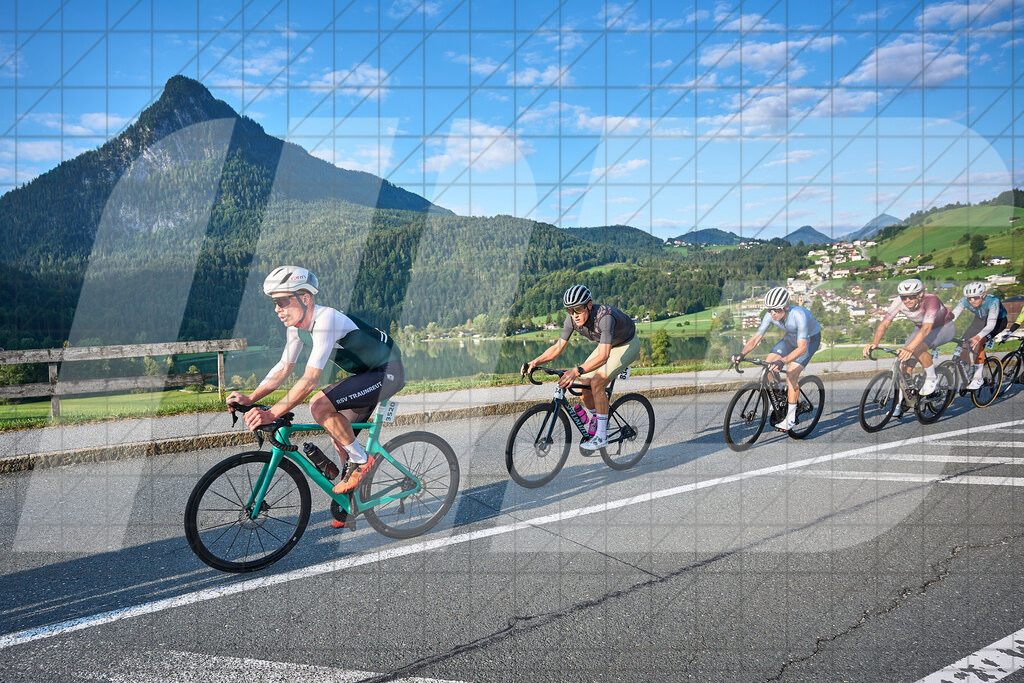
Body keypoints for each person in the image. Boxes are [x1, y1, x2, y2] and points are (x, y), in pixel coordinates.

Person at [226, 266, 404, 527]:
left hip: (387, 372)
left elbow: (310, 380)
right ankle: (350, 504)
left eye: (281, 301)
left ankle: (363, 461)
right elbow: (284, 368)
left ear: (305, 298)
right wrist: (251, 398)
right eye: (274, 303)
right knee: (340, 436)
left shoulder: (326, 320)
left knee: (319, 405)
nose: (276, 309)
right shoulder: (296, 328)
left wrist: (272, 413)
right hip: (365, 375)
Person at [522, 285, 641, 451]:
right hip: (607, 344)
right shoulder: (571, 320)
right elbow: (557, 347)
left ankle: (601, 436)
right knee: (584, 384)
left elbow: (604, 356)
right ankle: (599, 417)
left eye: (578, 309)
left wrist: (576, 370)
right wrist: (535, 362)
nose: (574, 315)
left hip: (627, 344)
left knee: (597, 383)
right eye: (570, 310)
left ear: (589, 305)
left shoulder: (605, 317)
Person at [731, 286, 822, 432]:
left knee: (791, 374)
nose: (772, 314)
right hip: (790, 338)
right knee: (768, 366)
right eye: (769, 310)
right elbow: (756, 338)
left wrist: (783, 361)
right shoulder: (770, 316)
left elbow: (802, 348)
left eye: (776, 310)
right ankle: (781, 397)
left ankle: (791, 418)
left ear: (786, 307)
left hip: (809, 341)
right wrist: (742, 354)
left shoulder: (799, 315)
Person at [863, 278, 954, 414]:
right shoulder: (898, 302)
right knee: (904, 364)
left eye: (911, 297)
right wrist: (875, 343)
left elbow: (927, 329)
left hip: (944, 327)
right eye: (904, 297)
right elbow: (884, 324)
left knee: (917, 348)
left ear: (920, 294)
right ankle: (901, 403)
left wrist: (909, 348)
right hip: (920, 327)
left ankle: (931, 377)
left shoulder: (931, 300)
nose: (907, 301)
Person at [950, 281, 1006, 390]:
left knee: (978, 343)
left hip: (997, 322)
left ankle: (978, 378)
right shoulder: (964, 301)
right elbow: (953, 316)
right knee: (963, 346)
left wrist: (978, 337)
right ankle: (968, 373)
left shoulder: (993, 301)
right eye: (969, 298)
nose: (971, 301)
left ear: (983, 295)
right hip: (980, 320)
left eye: (975, 298)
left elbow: (990, 325)